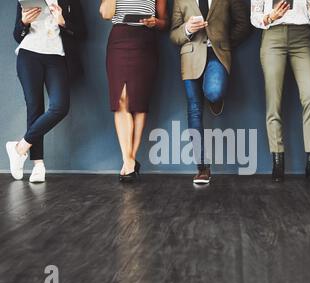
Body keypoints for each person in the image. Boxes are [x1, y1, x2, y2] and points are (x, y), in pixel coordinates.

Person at [170, 0, 251, 185]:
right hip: (190, 55)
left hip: (218, 53)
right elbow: (173, 35)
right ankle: (202, 167)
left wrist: (224, 41)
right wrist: (187, 29)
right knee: (194, 110)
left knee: (214, 92)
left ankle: (214, 98)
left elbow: (243, 23)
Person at [7, 0, 86, 183]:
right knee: (34, 108)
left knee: (60, 107)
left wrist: (63, 21)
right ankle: (38, 165)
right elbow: (17, 35)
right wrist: (24, 23)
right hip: (29, 55)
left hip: (57, 57)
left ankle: (19, 148)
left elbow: (82, 33)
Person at [251, 0, 310, 183]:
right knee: (273, 101)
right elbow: (254, 16)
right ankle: (278, 161)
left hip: (302, 37)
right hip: (272, 36)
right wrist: (271, 17)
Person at [100, 0, 168, 182]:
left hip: (145, 41)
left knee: (139, 103)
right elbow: (106, 14)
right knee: (120, 100)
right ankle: (128, 160)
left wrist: (155, 22)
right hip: (119, 39)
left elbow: (164, 22)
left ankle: (130, 161)